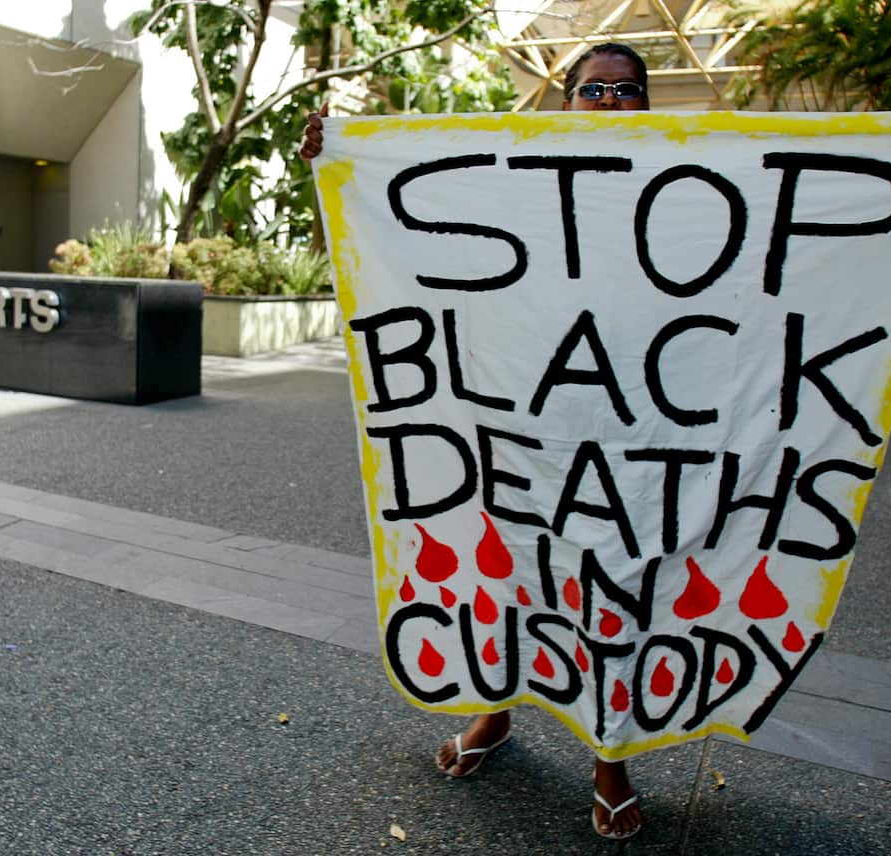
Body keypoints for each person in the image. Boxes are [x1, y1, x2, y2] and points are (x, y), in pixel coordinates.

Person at [301, 43, 651, 841]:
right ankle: (494, 715)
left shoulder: (691, 187)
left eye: (626, 91)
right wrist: (344, 160)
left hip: (631, 427)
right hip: (513, 418)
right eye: (592, 89)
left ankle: (611, 758)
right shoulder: (516, 177)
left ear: (648, 104)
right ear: (564, 102)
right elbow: (426, 234)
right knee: (507, 565)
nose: (608, 103)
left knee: (611, 581)